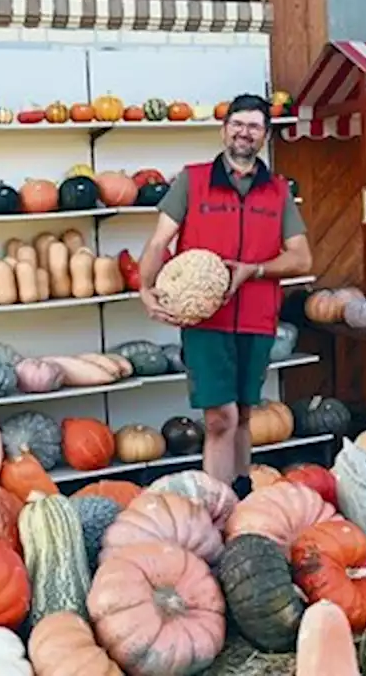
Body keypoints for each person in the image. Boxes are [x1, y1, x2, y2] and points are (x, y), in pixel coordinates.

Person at [136, 93, 313, 499]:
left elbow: (301, 256)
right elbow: (159, 242)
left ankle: (242, 493)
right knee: (220, 418)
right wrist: (145, 290)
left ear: (265, 135)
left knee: (245, 414)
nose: (243, 132)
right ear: (224, 130)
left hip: (256, 318)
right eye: (237, 124)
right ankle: (216, 507)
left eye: (253, 126)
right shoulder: (192, 180)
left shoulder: (278, 191)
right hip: (206, 323)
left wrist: (257, 270)